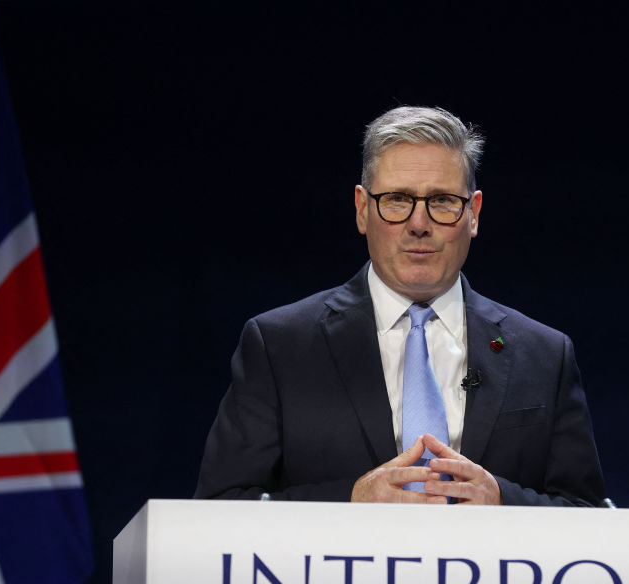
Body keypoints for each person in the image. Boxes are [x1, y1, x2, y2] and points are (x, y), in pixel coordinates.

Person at [195, 106, 607, 506]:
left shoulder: (545, 355)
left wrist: (502, 501)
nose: (419, 223)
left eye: (443, 201)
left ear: (474, 213)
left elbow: (587, 512)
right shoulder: (279, 346)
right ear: (362, 209)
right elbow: (220, 506)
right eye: (396, 199)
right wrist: (349, 502)